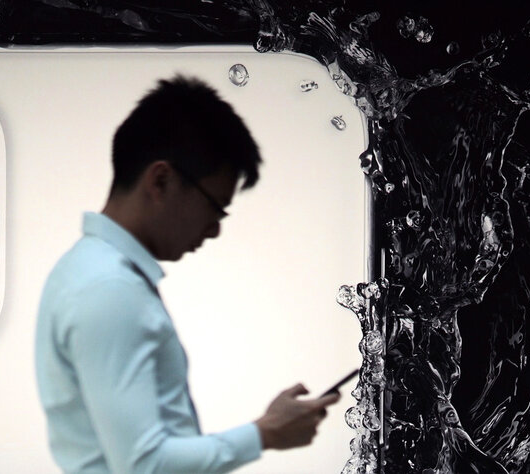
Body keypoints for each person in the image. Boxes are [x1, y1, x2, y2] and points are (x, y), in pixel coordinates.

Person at [34, 75, 341, 473]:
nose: (214, 230)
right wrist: (265, 434)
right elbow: (145, 466)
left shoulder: (87, 270)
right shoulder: (109, 289)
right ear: (161, 180)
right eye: (215, 207)